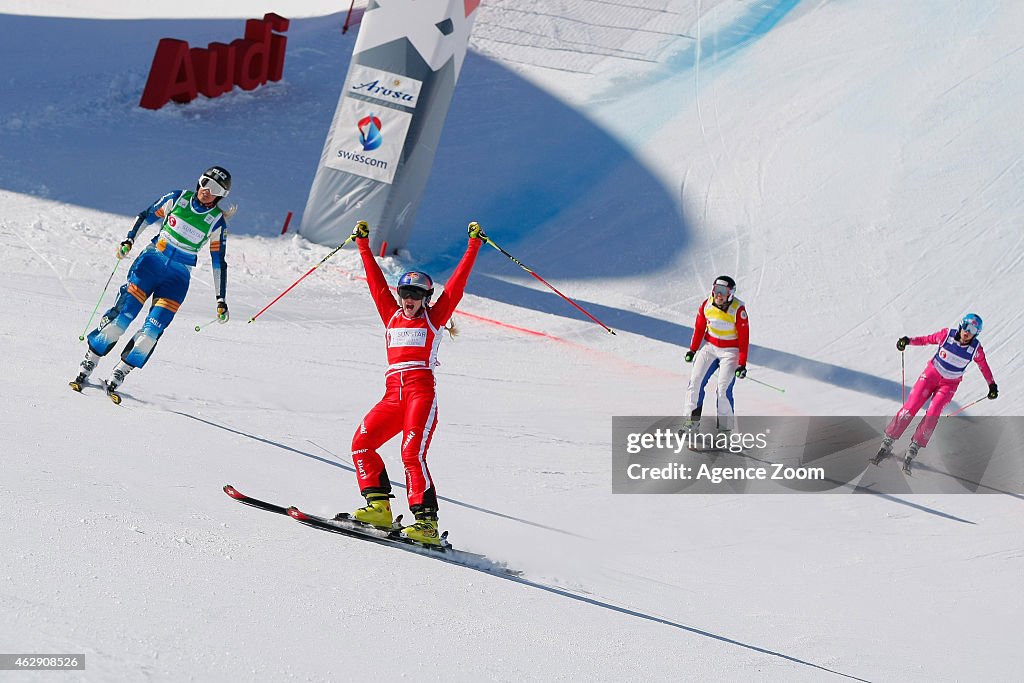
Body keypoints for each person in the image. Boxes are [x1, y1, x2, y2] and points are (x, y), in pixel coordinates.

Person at [347, 220, 485, 546]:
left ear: (426, 298)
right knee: (361, 445)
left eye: (416, 295)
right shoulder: (391, 315)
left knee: (411, 453)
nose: (408, 299)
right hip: (392, 395)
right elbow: (374, 282)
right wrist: (364, 246)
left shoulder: (433, 319)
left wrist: (473, 246)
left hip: (419, 394)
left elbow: (456, 287)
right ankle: (379, 507)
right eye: (404, 293)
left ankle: (426, 524)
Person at [70, 167, 233, 401]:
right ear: (199, 181)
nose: (207, 190)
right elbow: (146, 216)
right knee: (123, 317)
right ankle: (90, 361)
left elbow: (219, 261)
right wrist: (129, 239)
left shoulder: (216, 222)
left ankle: (120, 373)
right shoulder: (177, 199)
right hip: (150, 263)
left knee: (152, 331)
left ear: (221, 196)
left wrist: (221, 300)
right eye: (206, 183)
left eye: (215, 189)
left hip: (177, 279)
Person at [873, 313, 998, 470]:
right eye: (966, 327)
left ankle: (915, 445)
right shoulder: (947, 335)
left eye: (973, 330)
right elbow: (926, 340)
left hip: (949, 384)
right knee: (912, 405)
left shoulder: (975, 349)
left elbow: (983, 366)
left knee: (933, 411)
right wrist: (908, 341)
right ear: (961, 325)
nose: (968, 332)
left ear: (976, 333)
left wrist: (991, 385)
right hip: (931, 375)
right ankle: (889, 440)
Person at [682, 275, 750, 432]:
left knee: (723, 389)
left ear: (730, 293)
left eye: (722, 291)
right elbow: (699, 328)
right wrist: (692, 350)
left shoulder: (738, 310)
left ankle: (725, 431)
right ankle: (691, 424)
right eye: (716, 290)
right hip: (710, 347)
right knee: (695, 383)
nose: (718, 295)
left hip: (730, 351)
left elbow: (744, 339)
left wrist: (742, 363)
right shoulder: (707, 305)